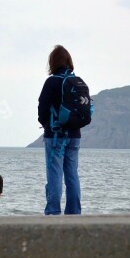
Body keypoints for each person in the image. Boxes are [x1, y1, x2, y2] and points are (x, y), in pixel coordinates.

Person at [37, 45, 86, 215]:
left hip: (55, 135)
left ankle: (53, 212)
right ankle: (74, 212)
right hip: (75, 135)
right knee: (72, 174)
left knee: (55, 174)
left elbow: (42, 108)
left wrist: (45, 125)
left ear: (52, 62)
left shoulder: (52, 82)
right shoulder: (77, 81)